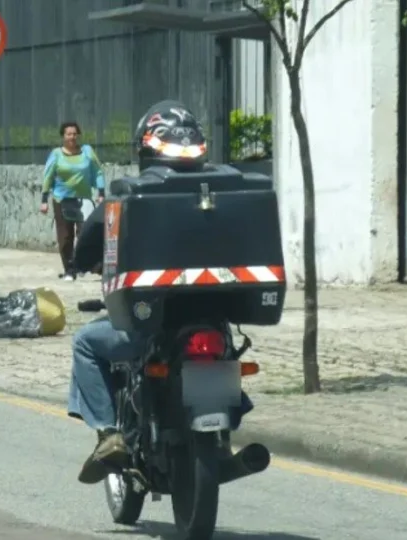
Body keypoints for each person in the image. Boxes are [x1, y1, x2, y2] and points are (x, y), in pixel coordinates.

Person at [65, 100, 254, 484]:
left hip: (150, 330)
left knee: (86, 343)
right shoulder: (230, 191)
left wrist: (85, 261)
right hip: (213, 326)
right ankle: (222, 442)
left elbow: (85, 244)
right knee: (225, 351)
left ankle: (108, 433)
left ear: (146, 150)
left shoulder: (130, 194)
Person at [39, 121, 105, 281]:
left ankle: (83, 265)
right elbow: (48, 176)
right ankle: (69, 270)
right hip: (62, 200)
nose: (72, 137)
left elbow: (98, 172)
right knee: (65, 238)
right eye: (69, 134)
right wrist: (44, 199)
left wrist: (101, 191)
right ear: (63, 136)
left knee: (86, 234)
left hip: (84, 200)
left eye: (75, 134)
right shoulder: (56, 154)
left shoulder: (87, 152)